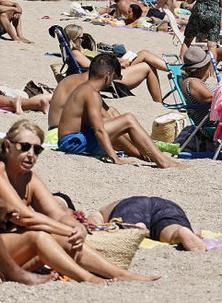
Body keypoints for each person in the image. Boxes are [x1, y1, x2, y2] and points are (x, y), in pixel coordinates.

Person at [0, 119, 160, 282]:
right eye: (25, 147)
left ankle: (120, 274)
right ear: (7, 146)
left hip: (12, 251)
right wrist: (66, 230)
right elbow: (26, 216)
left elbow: (57, 214)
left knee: (64, 237)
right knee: (39, 236)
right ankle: (89, 279)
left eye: (37, 149)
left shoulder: (29, 178)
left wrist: (77, 227)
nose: (31, 154)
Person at [56, 54, 179, 168]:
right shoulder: (91, 93)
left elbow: (107, 128)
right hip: (72, 142)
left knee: (114, 115)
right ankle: (162, 161)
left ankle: (149, 154)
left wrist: (137, 152)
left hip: (73, 140)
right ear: (108, 75)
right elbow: (99, 131)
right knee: (128, 119)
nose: (112, 81)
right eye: (114, 77)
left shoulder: (87, 88)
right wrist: (114, 158)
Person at [64, 24, 166, 102]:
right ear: (74, 39)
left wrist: (118, 60)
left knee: (143, 53)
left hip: (110, 70)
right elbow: (93, 67)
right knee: (147, 66)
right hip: (111, 76)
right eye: (81, 38)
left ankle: (170, 72)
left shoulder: (79, 51)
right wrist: (118, 65)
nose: (83, 40)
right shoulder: (76, 53)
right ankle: (160, 99)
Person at [91, 197, 206, 252]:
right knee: (171, 230)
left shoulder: (105, 210)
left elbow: (95, 218)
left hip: (133, 206)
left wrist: (96, 227)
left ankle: (138, 227)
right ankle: (180, 232)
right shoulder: (120, 202)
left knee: (129, 226)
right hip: (166, 205)